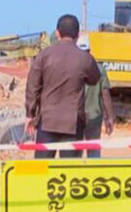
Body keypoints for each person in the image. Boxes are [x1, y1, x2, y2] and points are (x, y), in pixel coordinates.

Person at [25, 15, 101, 158]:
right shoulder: (85, 58)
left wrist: (30, 114)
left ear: (57, 33)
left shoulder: (44, 55)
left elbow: (32, 85)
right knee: (69, 172)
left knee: (42, 170)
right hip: (73, 123)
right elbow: (94, 79)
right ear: (78, 35)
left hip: (47, 121)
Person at [76, 33, 115, 158]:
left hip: (76, 117)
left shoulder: (72, 67)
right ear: (89, 50)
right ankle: (93, 176)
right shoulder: (100, 68)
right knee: (93, 152)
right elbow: (105, 94)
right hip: (94, 116)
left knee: (75, 151)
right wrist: (110, 117)